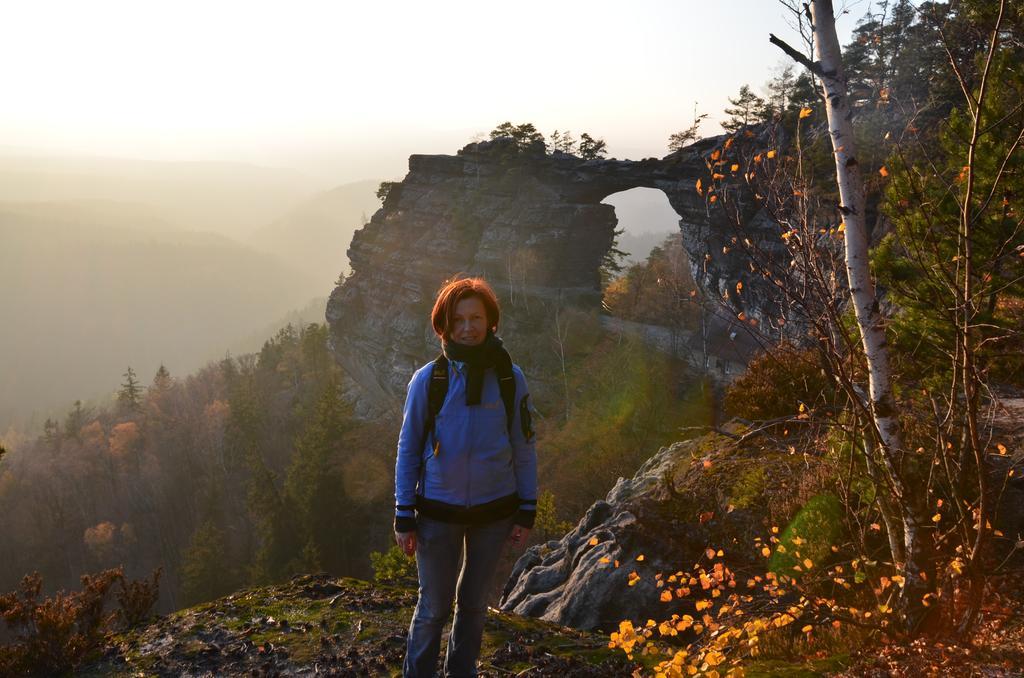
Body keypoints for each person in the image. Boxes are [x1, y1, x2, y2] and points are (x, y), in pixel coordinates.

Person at [394, 276, 538, 678]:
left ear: (491, 321)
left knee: (473, 604)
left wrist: (527, 509)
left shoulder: (511, 379)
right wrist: (403, 514)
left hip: (495, 512)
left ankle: (462, 671)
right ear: (444, 325)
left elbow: (524, 445)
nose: (468, 327)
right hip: (438, 512)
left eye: (476, 317)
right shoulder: (429, 380)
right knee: (433, 606)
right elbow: (407, 449)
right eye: (459, 319)